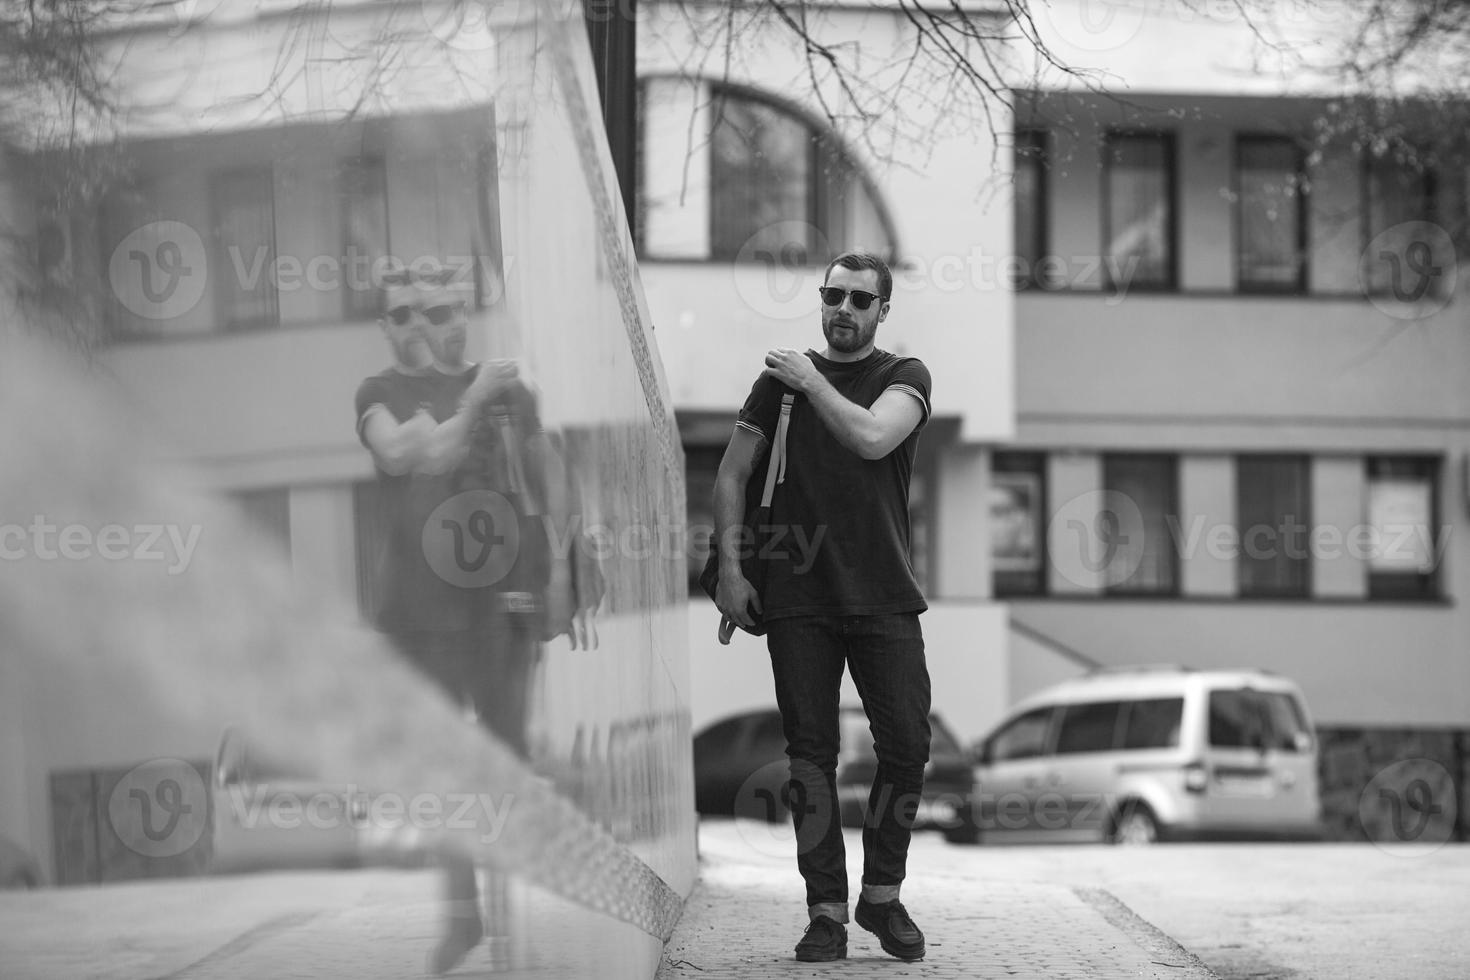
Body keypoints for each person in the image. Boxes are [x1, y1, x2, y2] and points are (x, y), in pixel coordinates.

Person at [712, 250, 933, 964]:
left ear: (881, 312)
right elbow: (732, 477)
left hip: (884, 596)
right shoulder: (775, 387)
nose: (843, 308)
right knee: (811, 760)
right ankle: (826, 912)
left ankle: (882, 895)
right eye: (832, 294)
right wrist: (732, 571)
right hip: (799, 598)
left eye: (859, 300)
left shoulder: (903, 377)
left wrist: (811, 380)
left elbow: (872, 438)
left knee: (906, 747)